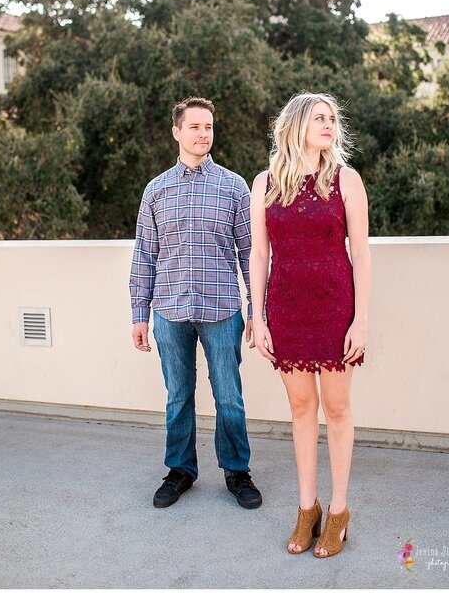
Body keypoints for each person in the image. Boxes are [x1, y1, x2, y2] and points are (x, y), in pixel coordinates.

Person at [249, 92, 370, 557]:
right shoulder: (264, 183)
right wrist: (257, 318)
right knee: (301, 409)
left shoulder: (346, 179)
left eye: (332, 118)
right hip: (285, 309)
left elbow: (360, 253)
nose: (329, 124)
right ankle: (308, 508)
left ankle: (338, 510)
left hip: (336, 309)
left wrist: (361, 320)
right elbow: (260, 254)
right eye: (319, 117)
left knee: (336, 410)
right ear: (296, 124)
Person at [129, 96, 262, 510]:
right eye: (194, 127)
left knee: (229, 396)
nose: (203, 133)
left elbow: (250, 254)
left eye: (208, 127)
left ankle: (237, 471)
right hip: (169, 311)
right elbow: (145, 255)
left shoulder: (234, 186)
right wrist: (139, 315)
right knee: (178, 395)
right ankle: (180, 470)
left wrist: (258, 312)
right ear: (177, 132)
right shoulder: (156, 190)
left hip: (222, 310)